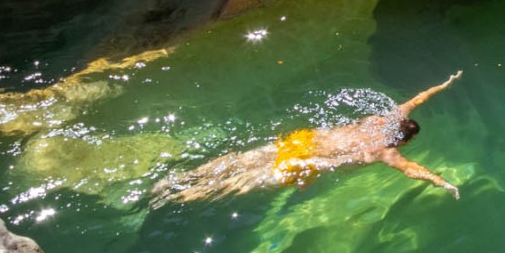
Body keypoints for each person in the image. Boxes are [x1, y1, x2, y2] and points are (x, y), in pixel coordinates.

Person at [155, 74, 462, 204]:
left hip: (300, 143)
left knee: (239, 161)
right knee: (240, 182)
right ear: (404, 141)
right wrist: (444, 183)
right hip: (304, 164)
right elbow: (413, 170)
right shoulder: (387, 152)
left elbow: (417, 99)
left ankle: (182, 178)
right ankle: (177, 197)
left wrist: (444, 84)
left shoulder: (380, 119)